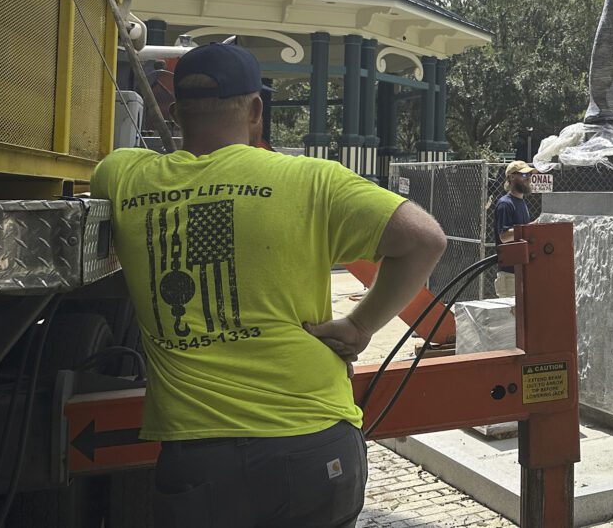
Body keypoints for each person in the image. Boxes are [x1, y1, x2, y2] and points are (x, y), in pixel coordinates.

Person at [91, 43, 446, 528]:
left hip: (201, 461)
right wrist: (361, 326)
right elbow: (425, 240)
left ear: (174, 113)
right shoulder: (312, 181)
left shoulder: (122, 176)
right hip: (315, 445)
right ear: (256, 108)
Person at [492, 161, 536, 296]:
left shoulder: (521, 203)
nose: (528, 178)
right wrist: (530, 227)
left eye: (529, 174)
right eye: (524, 174)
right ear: (511, 177)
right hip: (509, 274)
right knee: (512, 317)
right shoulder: (505, 204)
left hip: (521, 271)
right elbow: (504, 237)